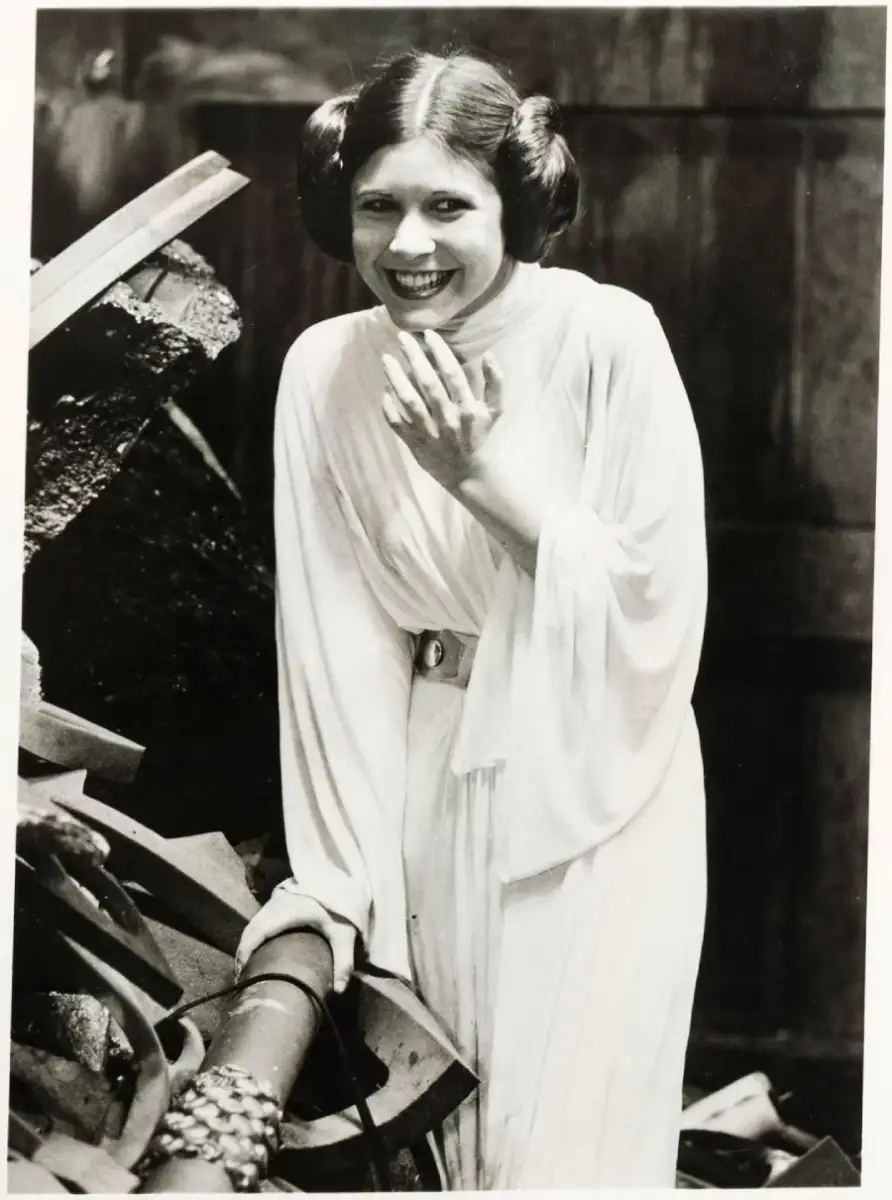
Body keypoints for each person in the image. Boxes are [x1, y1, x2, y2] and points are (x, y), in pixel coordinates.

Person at [236, 49, 708, 1189]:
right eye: (377, 208)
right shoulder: (323, 371)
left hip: (595, 787)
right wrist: (343, 876)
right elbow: (336, 640)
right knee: (452, 1139)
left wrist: (483, 482)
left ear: (517, 202)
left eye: (449, 206)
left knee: (562, 1150)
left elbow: (657, 604)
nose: (409, 246)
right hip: (426, 782)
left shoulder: (609, 338)